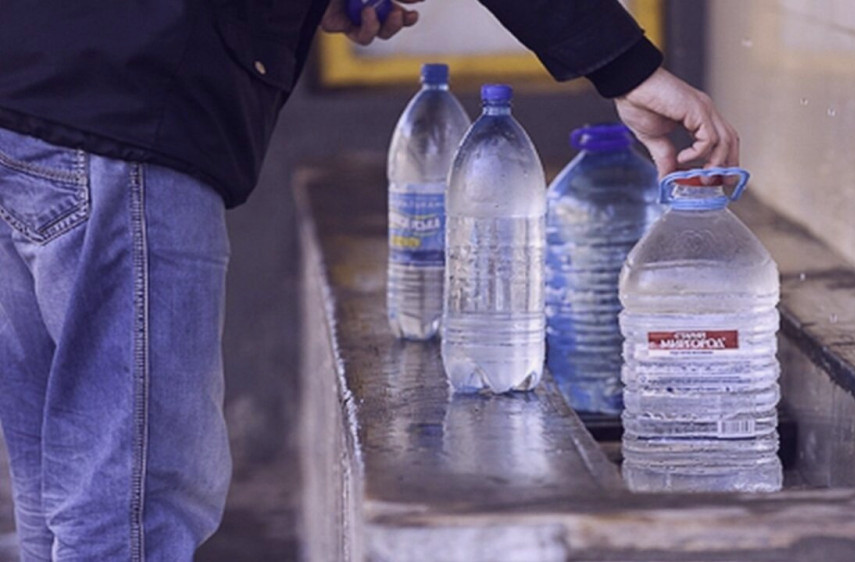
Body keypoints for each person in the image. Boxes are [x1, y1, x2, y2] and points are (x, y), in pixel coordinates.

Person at [0, 0, 738, 559]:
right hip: (119, 113)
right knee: (133, 504)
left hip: (25, 99)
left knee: (59, 488)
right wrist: (627, 66)